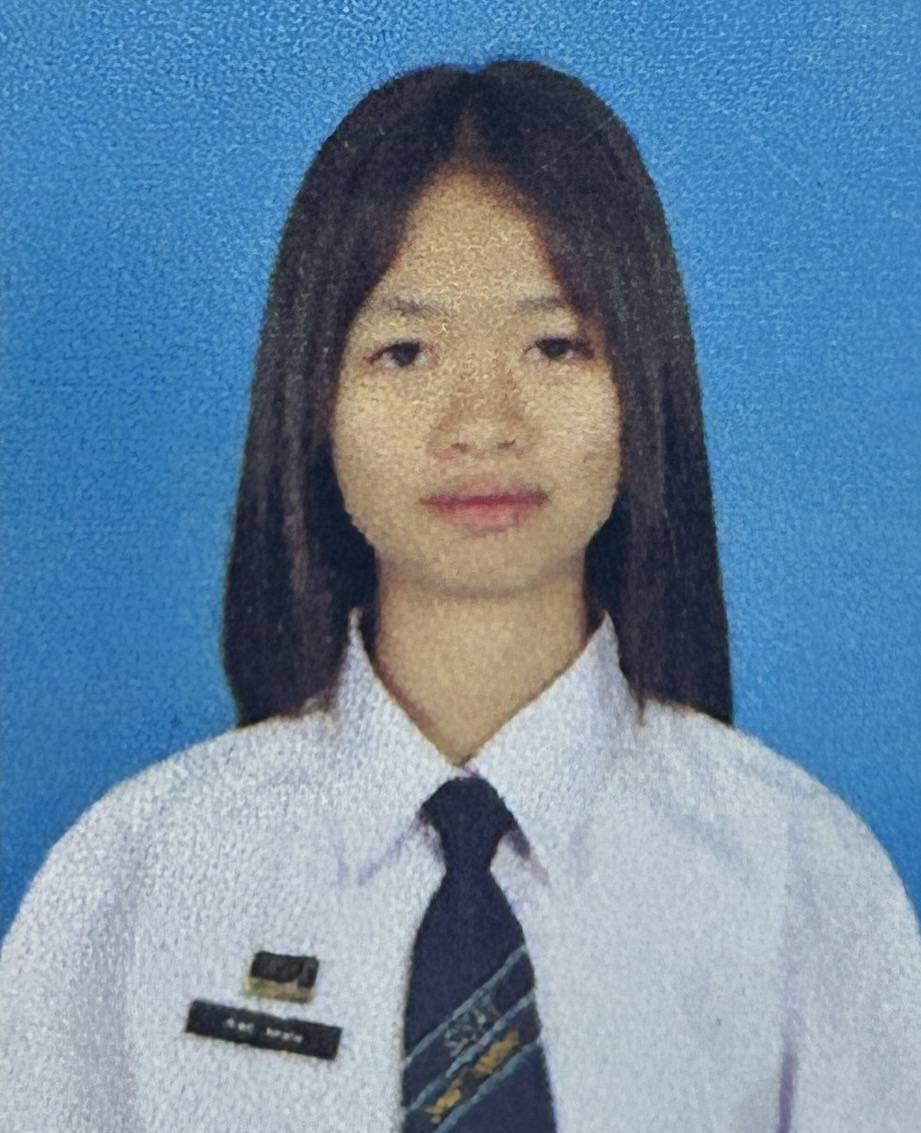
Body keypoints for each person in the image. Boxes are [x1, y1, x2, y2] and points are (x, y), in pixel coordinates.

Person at [1, 59, 919, 1132]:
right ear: (313, 403)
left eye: (555, 345)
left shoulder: (803, 880)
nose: (483, 421)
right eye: (406, 352)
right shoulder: (134, 875)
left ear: (643, 389)